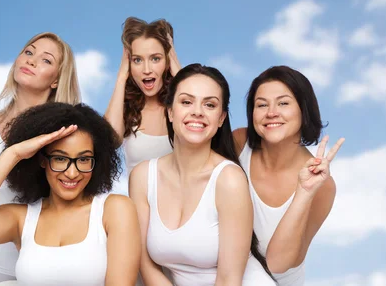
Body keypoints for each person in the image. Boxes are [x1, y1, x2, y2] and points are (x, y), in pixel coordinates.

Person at [0, 103, 141, 286]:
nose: (72, 173)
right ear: (42, 160)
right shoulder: (23, 218)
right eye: (60, 158)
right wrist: (13, 154)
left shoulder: (115, 209)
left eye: (83, 159)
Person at [0, 32, 81, 286]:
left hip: (44, 269)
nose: (31, 61)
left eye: (46, 60)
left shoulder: (61, 133)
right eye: (29, 52)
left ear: (56, 80)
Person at [129, 64, 276, 286]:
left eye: (209, 104)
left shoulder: (229, 180)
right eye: (186, 102)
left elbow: (229, 280)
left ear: (220, 119)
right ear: (170, 111)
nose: (197, 111)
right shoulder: (142, 177)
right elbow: (145, 264)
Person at [232, 65, 344, 286]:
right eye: (261, 104)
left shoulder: (322, 186)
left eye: (283, 103)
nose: (271, 112)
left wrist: (304, 192)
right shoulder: (239, 143)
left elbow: (277, 264)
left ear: (304, 110)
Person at [105, 17, 182, 177]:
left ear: (167, 61)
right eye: (137, 60)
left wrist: (180, 74)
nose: (147, 69)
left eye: (155, 59)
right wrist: (121, 76)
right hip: (136, 202)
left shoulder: (182, 107)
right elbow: (109, 141)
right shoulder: (125, 108)